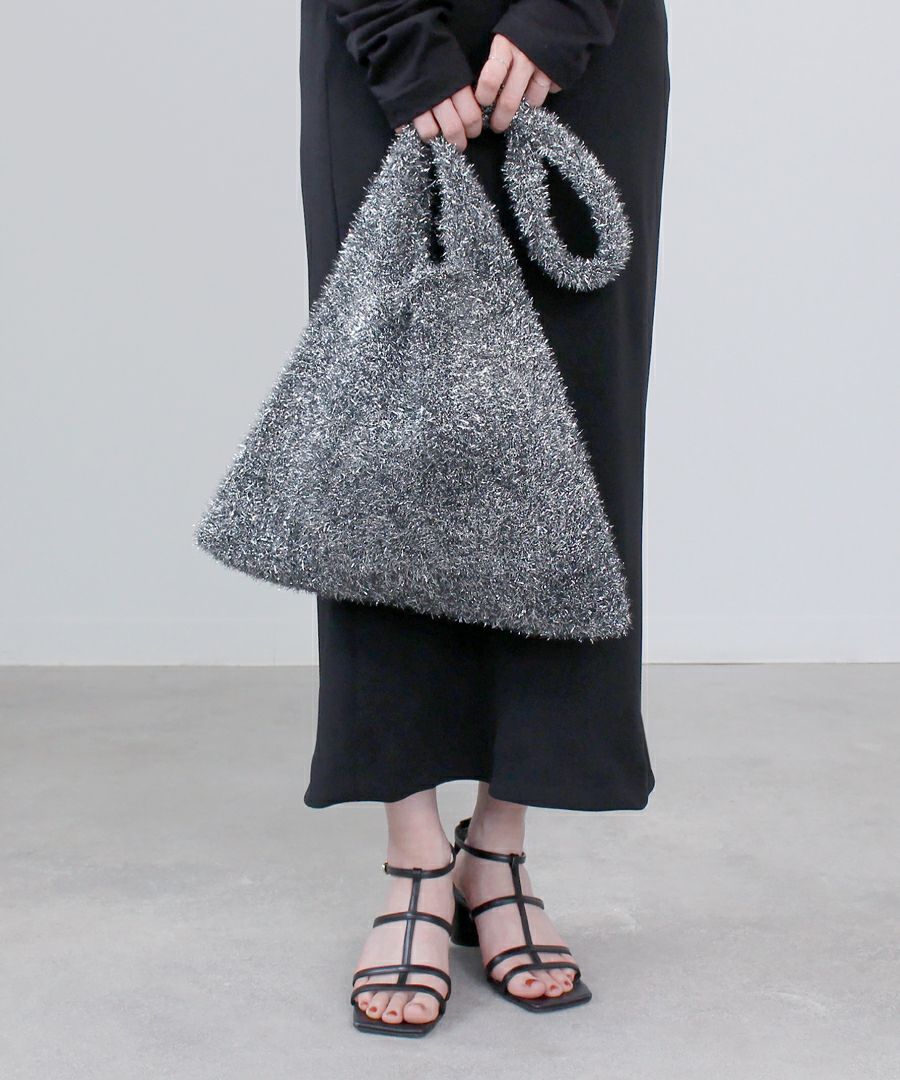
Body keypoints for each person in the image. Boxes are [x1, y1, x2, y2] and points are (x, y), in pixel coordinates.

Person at [298, 0, 670, 1035]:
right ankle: (414, 853)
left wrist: (568, 12)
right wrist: (395, 34)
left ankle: (498, 844)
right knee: (387, 455)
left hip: (589, 51)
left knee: (569, 446)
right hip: (378, 45)